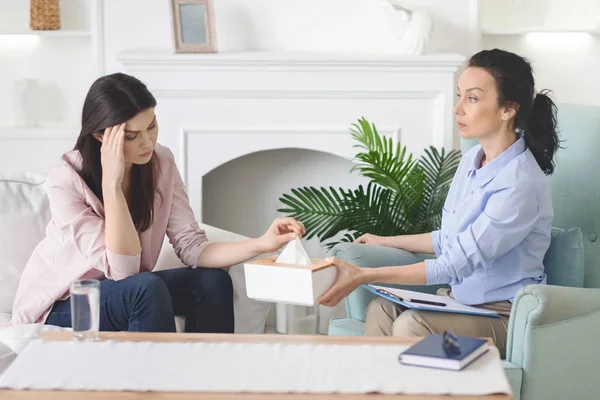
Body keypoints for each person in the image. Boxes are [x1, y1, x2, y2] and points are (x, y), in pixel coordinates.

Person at [10, 72, 305, 333]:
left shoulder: (160, 162)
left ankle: (209, 382)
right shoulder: (65, 180)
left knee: (211, 282)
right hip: (63, 303)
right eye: (132, 136)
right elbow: (123, 270)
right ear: (101, 135)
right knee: (144, 287)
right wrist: (112, 185)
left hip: (129, 291)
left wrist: (260, 244)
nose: (147, 143)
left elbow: (192, 247)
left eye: (151, 126)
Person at [316, 49, 560, 358]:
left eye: (471, 99)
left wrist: (365, 274)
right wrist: (385, 241)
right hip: (463, 304)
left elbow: (455, 263)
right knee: (380, 310)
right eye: (460, 96)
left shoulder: (520, 184)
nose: (457, 109)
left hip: (505, 318)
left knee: (413, 325)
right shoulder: (473, 159)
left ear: (507, 109)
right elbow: (449, 240)